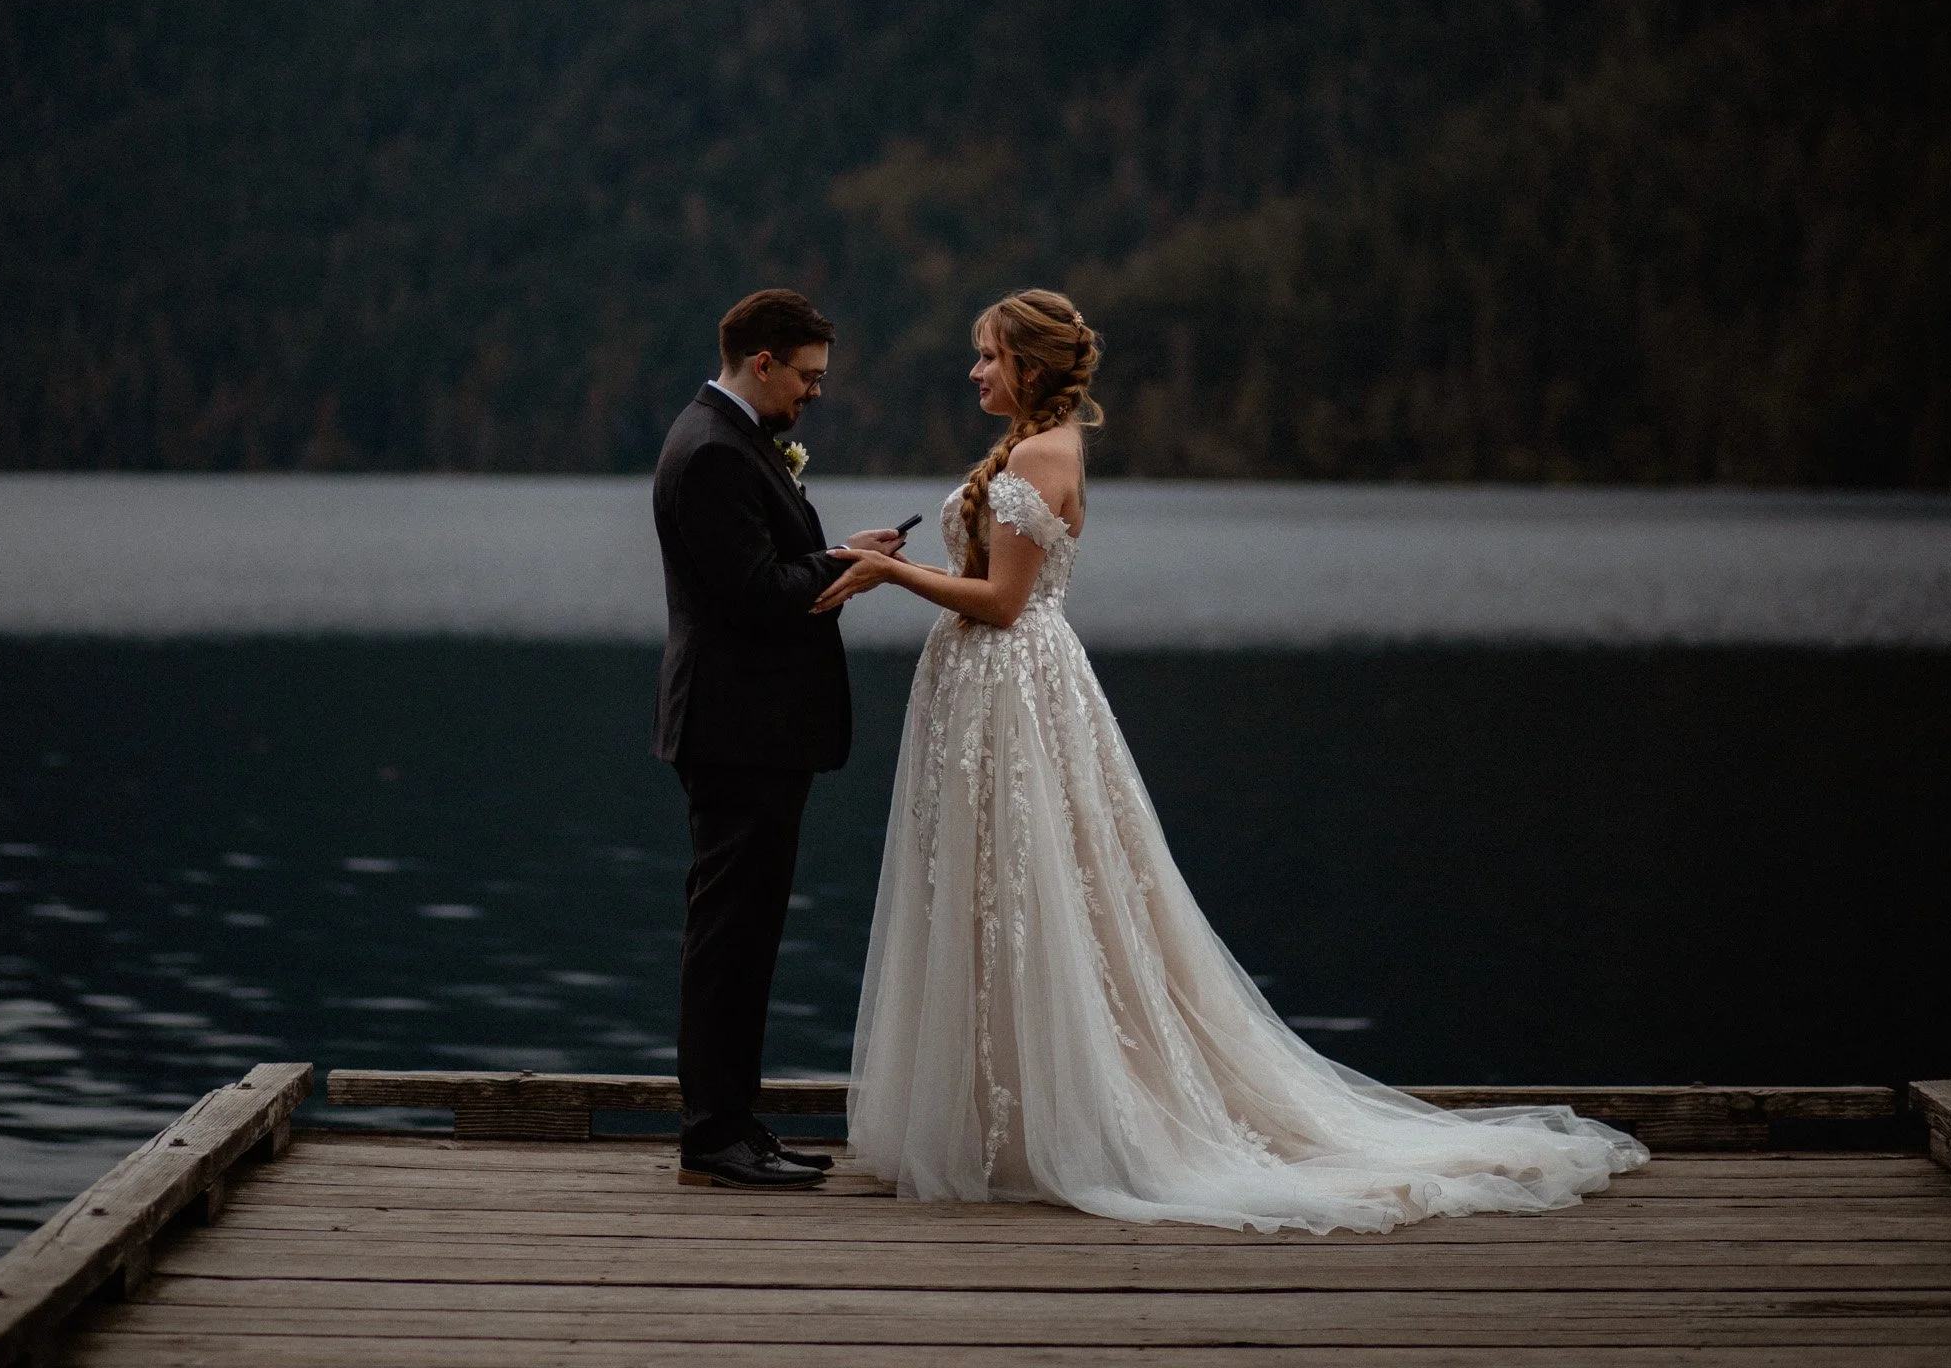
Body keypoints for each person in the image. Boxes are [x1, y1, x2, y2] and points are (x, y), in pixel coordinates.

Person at [815, 288, 1649, 1232]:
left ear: (1033, 368)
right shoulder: (1034, 449)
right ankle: (1002, 1112)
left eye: (989, 358)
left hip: (1013, 693)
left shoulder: (1042, 455)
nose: (974, 372)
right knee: (993, 895)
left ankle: (1052, 1119)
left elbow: (1002, 602)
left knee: (1030, 891)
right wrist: (897, 557)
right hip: (992, 696)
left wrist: (888, 574)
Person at [651, 287, 903, 1190]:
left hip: (751, 731)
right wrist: (849, 572)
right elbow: (755, 595)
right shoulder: (714, 451)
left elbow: (758, 568)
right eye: (807, 377)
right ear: (762, 363)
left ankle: (735, 1123)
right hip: (737, 730)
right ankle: (713, 1133)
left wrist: (840, 555)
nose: (815, 394)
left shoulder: (731, 439)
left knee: (746, 932)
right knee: (728, 935)